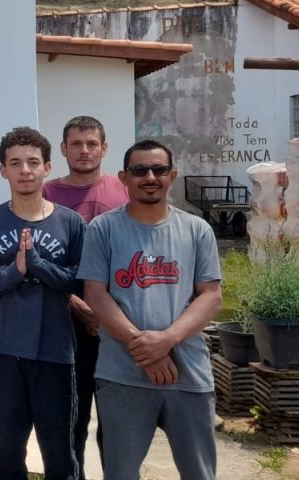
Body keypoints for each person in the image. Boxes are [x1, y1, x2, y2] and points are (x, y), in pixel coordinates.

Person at [79, 140, 223, 480]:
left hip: (188, 373)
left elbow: (211, 295)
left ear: (172, 176)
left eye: (159, 170)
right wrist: (145, 349)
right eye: (140, 170)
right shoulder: (103, 228)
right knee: (121, 473)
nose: (150, 177)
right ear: (123, 178)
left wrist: (167, 340)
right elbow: (95, 295)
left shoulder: (196, 230)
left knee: (200, 472)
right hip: (122, 374)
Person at [0, 127, 84, 480]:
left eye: (33, 162)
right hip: (4, 352)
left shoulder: (71, 223)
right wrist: (14, 272)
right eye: (15, 163)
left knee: (60, 451)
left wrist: (38, 265)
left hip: (56, 353)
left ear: (47, 166)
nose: (25, 170)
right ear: (3, 171)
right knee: (5, 452)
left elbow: (81, 282)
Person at [43, 116, 130, 473]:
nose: (84, 151)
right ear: (63, 149)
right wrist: (82, 308)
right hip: (69, 323)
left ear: (104, 148)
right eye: (76, 144)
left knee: (116, 420)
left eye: (91, 144)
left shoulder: (123, 190)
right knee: (72, 417)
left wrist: (108, 315)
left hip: (118, 324)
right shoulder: (47, 193)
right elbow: (39, 266)